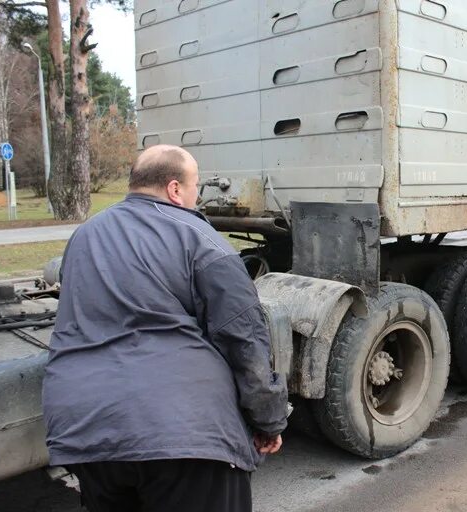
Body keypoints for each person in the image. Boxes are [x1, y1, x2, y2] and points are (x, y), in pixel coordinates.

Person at [42, 144, 288, 512]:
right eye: (195, 187)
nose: (196, 197)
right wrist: (269, 420)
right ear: (175, 189)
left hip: (85, 431)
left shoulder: (84, 236)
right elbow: (244, 339)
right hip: (184, 433)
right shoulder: (201, 239)